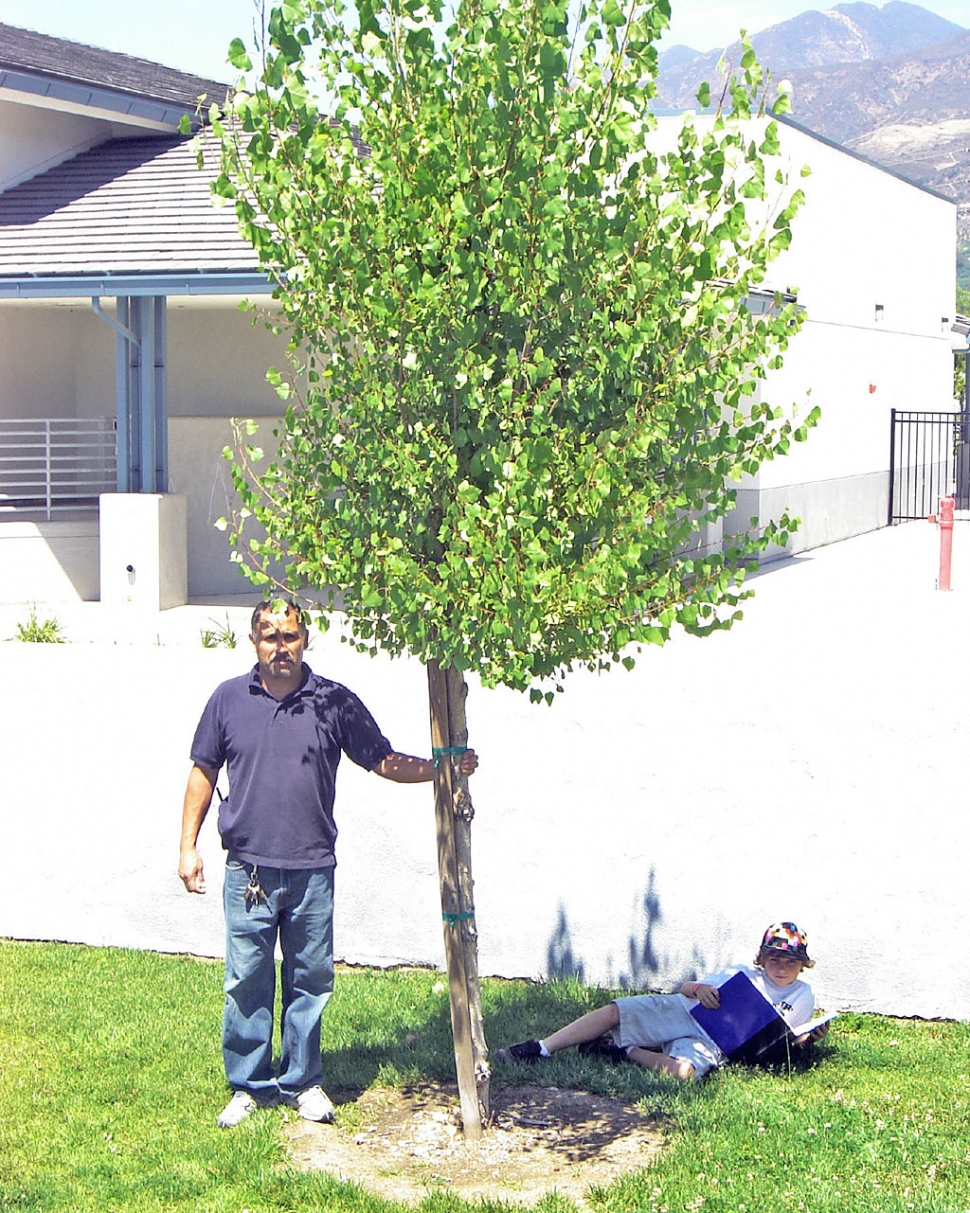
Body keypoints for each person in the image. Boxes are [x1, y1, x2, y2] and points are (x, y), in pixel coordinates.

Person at [178, 597, 479, 1128]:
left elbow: (381, 759)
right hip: (248, 870)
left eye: (289, 637)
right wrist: (188, 846)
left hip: (313, 870)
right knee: (246, 979)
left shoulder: (333, 702)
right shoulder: (227, 700)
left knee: (310, 980)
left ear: (305, 640)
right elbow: (203, 772)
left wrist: (441, 769)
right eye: (269, 637)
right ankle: (248, 1085)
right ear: (254, 643)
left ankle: (301, 1081)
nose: (280, 647)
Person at [498, 921, 829, 1080]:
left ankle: (623, 1050)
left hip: (718, 1044)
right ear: (762, 958)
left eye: (790, 961)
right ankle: (541, 1047)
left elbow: (788, 1042)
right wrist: (699, 991)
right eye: (774, 959)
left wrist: (808, 1039)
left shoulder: (802, 995)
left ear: (803, 964)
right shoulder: (743, 973)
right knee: (617, 1011)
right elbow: (688, 987)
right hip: (688, 1013)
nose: (781, 968)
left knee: (685, 1073)